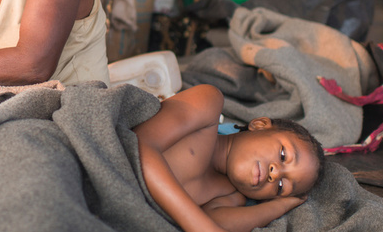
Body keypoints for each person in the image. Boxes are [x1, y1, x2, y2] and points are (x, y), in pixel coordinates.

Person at [133, 84, 324, 232]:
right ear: (259, 125)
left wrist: (282, 205)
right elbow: (140, 143)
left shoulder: (230, 195)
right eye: (283, 155)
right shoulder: (208, 103)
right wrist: (200, 226)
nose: (275, 173)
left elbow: (218, 222)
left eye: (281, 186)